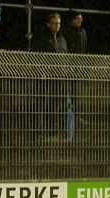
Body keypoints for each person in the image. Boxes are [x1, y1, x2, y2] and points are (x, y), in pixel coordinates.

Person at [31, 12, 72, 143]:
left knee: (57, 106)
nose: (57, 26)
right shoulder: (42, 38)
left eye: (58, 23)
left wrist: (66, 69)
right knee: (43, 106)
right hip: (46, 77)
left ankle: (55, 133)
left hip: (60, 77)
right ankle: (42, 134)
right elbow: (37, 56)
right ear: (48, 24)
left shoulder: (62, 39)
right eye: (54, 23)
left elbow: (65, 56)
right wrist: (41, 71)